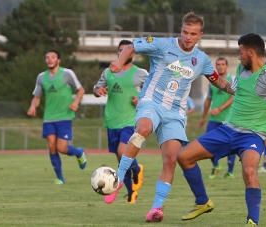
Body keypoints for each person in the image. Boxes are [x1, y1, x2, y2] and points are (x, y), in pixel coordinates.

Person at [176, 33, 266, 226]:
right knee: (183, 156)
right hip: (227, 130)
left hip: (253, 135)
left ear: (250, 52)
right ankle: (202, 202)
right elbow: (232, 89)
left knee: (249, 171)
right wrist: (209, 73)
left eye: (240, 52)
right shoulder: (242, 69)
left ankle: (252, 221)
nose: (238, 57)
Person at [105, 12, 231, 222]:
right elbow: (130, 47)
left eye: (192, 34)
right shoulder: (162, 45)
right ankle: (118, 178)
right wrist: (119, 62)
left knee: (171, 159)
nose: (187, 37)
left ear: (200, 34)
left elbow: (218, 81)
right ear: (180, 30)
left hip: (175, 113)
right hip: (151, 102)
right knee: (143, 128)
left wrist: (240, 91)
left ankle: (156, 209)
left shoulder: (201, 60)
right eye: (184, 32)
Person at [93, 39, 148, 204]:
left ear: (133, 53)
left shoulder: (141, 73)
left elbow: (153, 93)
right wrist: (99, 91)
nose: (122, 53)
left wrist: (141, 100)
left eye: (126, 50)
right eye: (120, 50)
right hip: (112, 121)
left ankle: (134, 173)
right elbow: (96, 88)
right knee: (121, 158)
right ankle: (132, 192)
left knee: (122, 151)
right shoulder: (108, 72)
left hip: (131, 121)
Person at [27, 50, 87, 185]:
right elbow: (37, 97)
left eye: (53, 57)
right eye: (47, 57)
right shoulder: (41, 77)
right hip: (49, 118)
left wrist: (76, 102)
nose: (50, 59)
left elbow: (81, 90)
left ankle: (78, 153)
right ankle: (60, 178)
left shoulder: (67, 74)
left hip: (64, 116)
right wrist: (33, 106)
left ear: (58, 60)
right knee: (52, 147)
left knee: (62, 148)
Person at [199, 57, 236, 179]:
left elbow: (234, 97)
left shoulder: (233, 80)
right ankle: (216, 165)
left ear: (227, 66)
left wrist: (219, 109)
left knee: (231, 145)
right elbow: (208, 100)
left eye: (222, 64)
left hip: (228, 120)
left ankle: (230, 172)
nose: (220, 66)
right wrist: (203, 117)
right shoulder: (213, 82)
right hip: (214, 120)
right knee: (207, 144)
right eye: (218, 64)